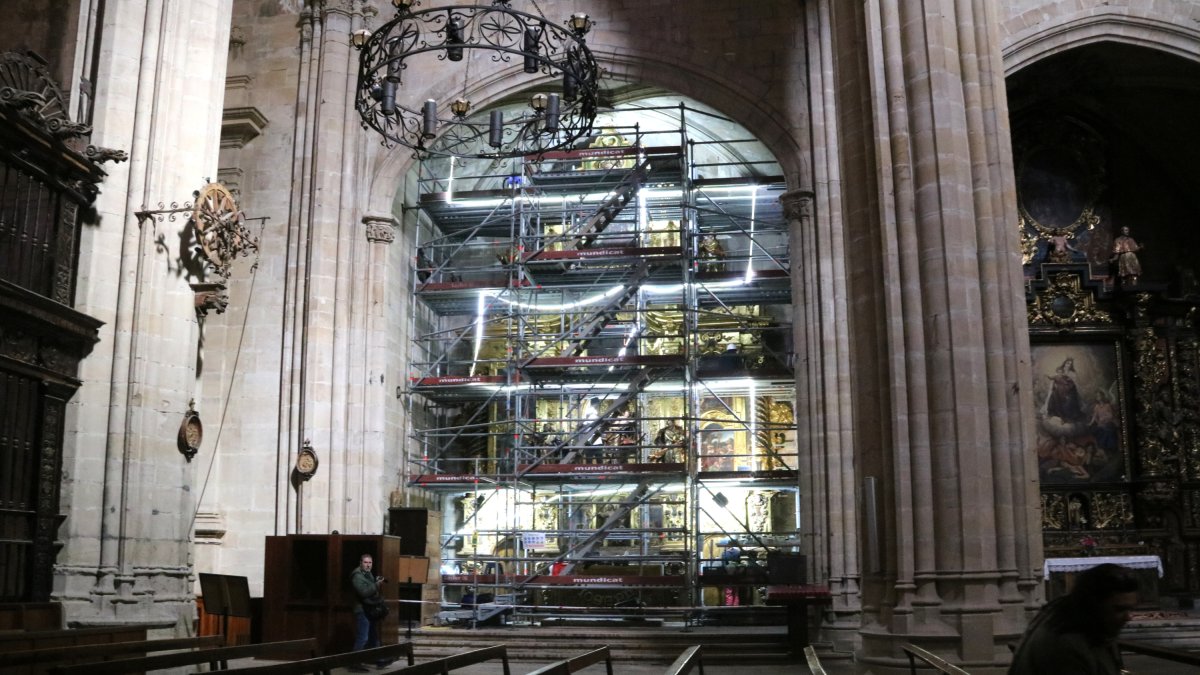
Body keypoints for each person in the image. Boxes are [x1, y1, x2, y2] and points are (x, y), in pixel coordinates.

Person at [1008, 562, 1139, 674]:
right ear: (1093, 603)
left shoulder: (1063, 613)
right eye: (1119, 609)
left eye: (1130, 609)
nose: (1128, 617)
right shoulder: (1068, 644)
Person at [349, 553, 388, 671]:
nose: (368, 565)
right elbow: (363, 592)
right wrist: (376, 584)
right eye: (365, 562)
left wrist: (375, 581)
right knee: (363, 637)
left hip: (369, 609)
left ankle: (380, 661)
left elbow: (369, 587)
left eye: (370, 563)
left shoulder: (367, 574)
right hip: (362, 610)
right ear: (360, 563)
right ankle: (354, 664)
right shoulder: (357, 575)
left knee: (373, 636)